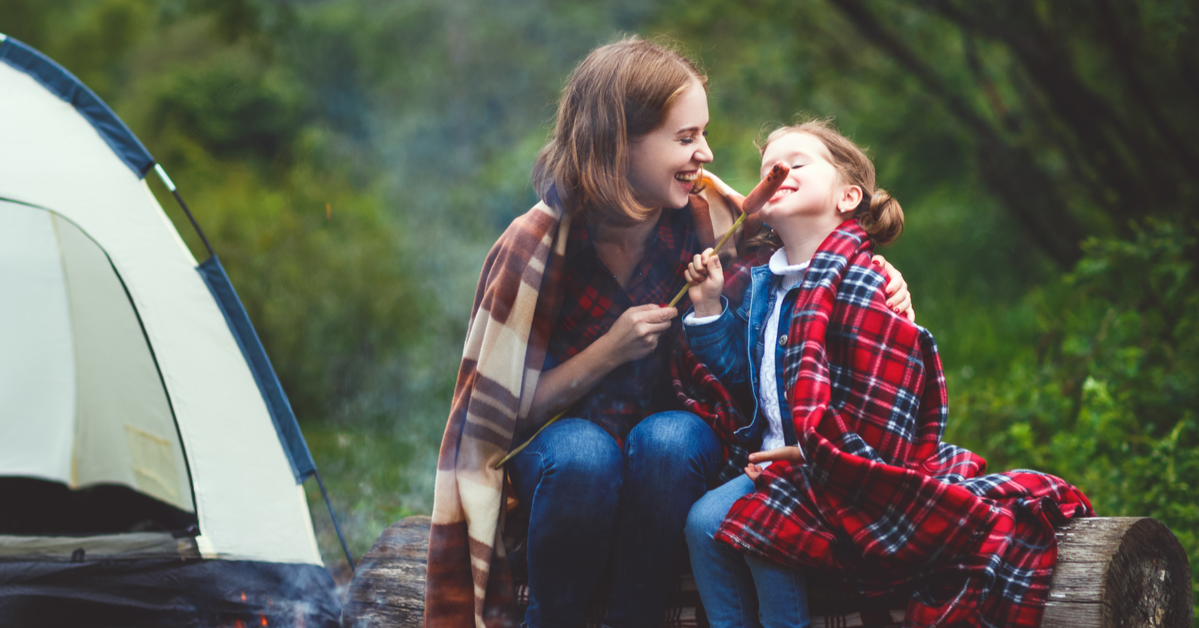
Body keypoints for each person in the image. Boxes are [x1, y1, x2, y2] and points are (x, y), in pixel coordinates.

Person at [424, 43, 912, 628]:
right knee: (584, 453)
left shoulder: (706, 216)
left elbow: (815, 251)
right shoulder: (536, 248)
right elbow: (494, 416)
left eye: (702, 134)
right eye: (685, 138)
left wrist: (881, 270)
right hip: (563, 469)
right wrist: (607, 352)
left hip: (671, 467)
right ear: (619, 144)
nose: (705, 153)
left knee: (670, 438)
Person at [676, 119, 1093, 628]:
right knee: (701, 524)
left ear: (848, 197)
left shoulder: (867, 283)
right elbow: (745, 379)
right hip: (766, 462)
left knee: (767, 534)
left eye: (795, 164)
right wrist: (709, 306)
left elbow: (885, 401)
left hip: (834, 463)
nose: (776, 171)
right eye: (767, 170)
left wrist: (814, 451)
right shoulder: (765, 285)